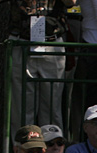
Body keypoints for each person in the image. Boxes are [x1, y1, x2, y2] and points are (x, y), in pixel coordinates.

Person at [8, 0, 74, 131]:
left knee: (52, 106)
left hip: (52, 41)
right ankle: (24, 147)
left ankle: (53, 147)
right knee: (22, 107)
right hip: (21, 41)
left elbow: (71, 2)